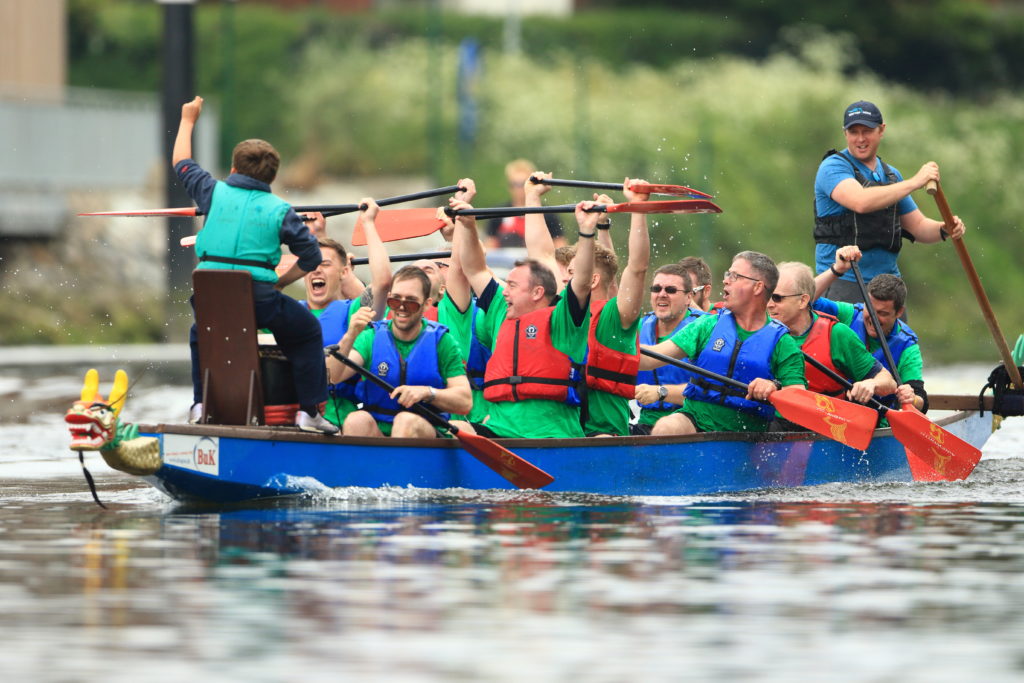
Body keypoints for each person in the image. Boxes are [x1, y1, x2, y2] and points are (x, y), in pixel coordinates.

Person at [172, 95, 337, 435]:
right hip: (259, 299)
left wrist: (188, 119)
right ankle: (308, 413)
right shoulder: (280, 210)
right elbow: (312, 257)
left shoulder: (211, 191)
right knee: (306, 332)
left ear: (232, 169)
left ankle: (200, 403)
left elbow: (180, 162)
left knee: (201, 333)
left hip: (209, 296)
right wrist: (281, 282)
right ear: (271, 177)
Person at [450, 198, 598, 439]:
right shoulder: (501, 311)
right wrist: (468, 226)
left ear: (537, 292)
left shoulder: (564, 320)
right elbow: (475, 269)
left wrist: (587, 231)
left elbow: (581, 281)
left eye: (512, 285)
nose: (504, 291)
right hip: (499, 431)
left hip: (553, 435)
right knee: (457, 430)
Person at [526, 175, 650, 437]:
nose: (562, 278)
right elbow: (541, 255)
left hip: (603, 435)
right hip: (561, 431)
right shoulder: (563, 310)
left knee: (601, 440)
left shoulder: (617, 317)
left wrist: (638, 207)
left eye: (571, 272)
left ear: (591, 279)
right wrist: (532, 197)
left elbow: (637, 268)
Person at [813, 100, 966, 303]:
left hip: (887, 287)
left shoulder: (891, 175)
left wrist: (945, 228)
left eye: (866, 131)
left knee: (900, 336)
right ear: (845, 133)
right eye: (853, 132)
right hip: (844, 282)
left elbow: (918, 227)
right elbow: (860, 201)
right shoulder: (832, 167)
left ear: (881, 130)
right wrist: (915, 182)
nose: (860, 139)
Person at [638, 251, 806, 435]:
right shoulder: (707, 325)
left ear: (758, 287)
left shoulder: (782, 342)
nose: (726, 281)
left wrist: (774, 385)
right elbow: (649, 358)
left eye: (735, 276)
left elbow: (797, 398)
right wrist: (608, 347)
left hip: (749, 436)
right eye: (727, 275)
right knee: (666, 427)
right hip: (697, 420)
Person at [327, 266, 472, 438]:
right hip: (379, 429)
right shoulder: (370, 337)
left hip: (424, 429)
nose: (401, 307)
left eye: (411, 301)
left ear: (426, 304)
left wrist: (427, 392)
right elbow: (333, 377)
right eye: (395, 300)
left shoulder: (442, 342)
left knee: (405, 421)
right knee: (355, 420)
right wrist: (350, 334)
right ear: (388, 299)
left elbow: (465, 401)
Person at [300, 202, 392, 427]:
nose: (317, 269)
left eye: (325, 264)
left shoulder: (352, 311)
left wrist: (368, 222)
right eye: (312, 264)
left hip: (336, 416)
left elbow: (382, 283)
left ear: (344, 273)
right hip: (287, 413)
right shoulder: (289, 311)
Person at [813, 247, 928, 411]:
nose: (874, 319)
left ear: (899, 312)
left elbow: (921, 401)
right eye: (871, 310)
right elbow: (806, 300)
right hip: (834, 408)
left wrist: (912, 398)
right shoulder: (850, 314)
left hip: (878, 416)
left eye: (882, 313)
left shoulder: (907, 346)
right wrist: (836, 270)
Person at [767, 261, 896, 406]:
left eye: (777, 298)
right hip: (770, 419)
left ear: (803, 301)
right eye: (768, 296)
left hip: (825, 421)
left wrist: (872, 384)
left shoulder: (837, 334)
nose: (769, 304)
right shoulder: (759, 330)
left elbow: (888, 382)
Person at [632, 263, 706, 435]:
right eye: (656, 289)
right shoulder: (639, 327)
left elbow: (710, 392)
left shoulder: (706, 329)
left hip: (691, 425)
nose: (662, 294)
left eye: (671, 290)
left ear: (689, 297)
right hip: (644, 423)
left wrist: (661, 392)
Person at [485, 159, 565, 250]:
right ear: (509, 187)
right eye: (514, 184)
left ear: (532, 184)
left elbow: (560, 247)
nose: (519, 189)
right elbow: (490, 249)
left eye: (523, 184)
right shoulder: (498, 213)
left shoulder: (548, 214)